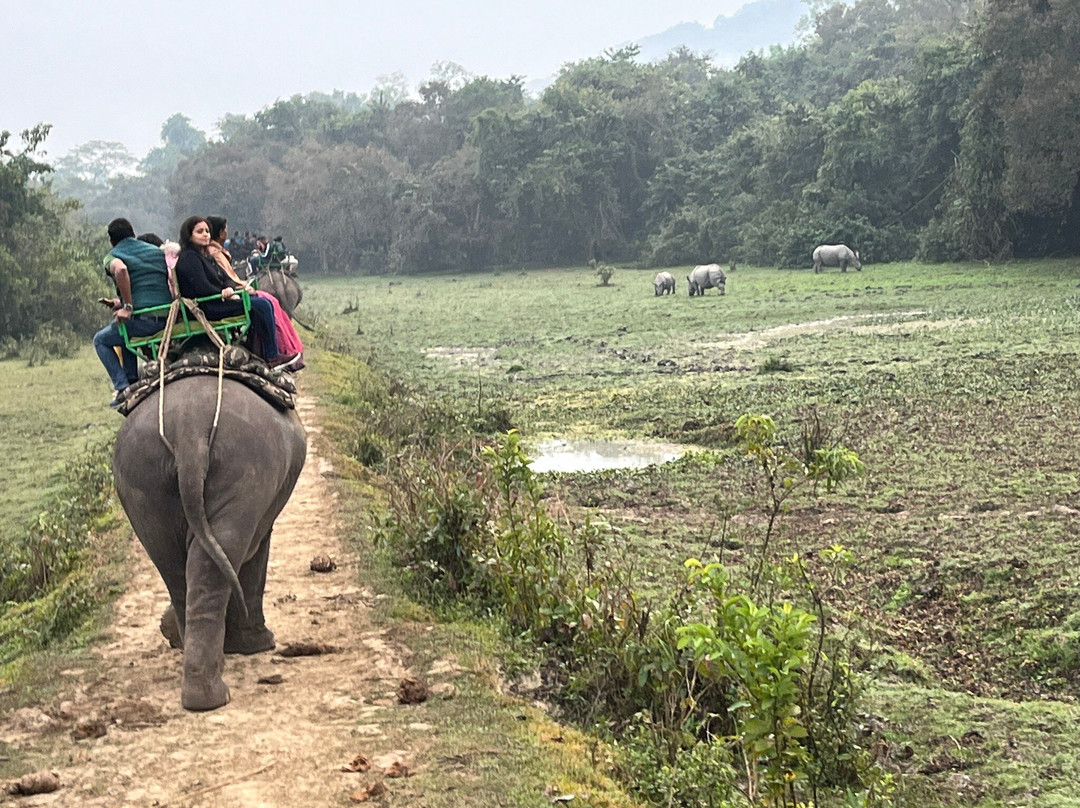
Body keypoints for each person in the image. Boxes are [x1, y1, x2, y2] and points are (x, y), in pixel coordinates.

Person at [172, 215, 283, 364]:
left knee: (263, 303)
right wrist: (222, 294)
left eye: (207, 231)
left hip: (218, 301)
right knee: (262, 306)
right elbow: (201, 287)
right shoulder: (189, 258)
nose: (205, 234)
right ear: (189, 235)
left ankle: (264, 351)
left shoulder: (205, 256)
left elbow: (227, 279)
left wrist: (230, 289)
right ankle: (272, 356)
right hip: (207, 307)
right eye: (199, 231)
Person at [93, 218, 175, 408]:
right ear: (133, 233)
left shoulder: (112, 256)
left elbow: (121, 270)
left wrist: (128, 307)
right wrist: (119, 303)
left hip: (142, 322)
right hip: (167, 319)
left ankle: (122, 387)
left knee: (101, 340)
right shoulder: (156, 252)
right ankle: (131, 379)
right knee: (122, 331)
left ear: (111, 240)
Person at [206, 216, 303, 369]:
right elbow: (227, 277)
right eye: (225, 229)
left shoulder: (218, 250)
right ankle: (272, 354)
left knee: (267, 300)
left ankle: (276, 349)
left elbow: (227, 278)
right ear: (220, 232)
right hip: (222, 299)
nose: (227, 232)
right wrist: (243, 287)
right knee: (265, 303)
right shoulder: (214, 252)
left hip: (230, 291)